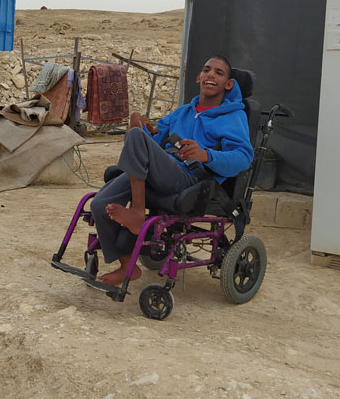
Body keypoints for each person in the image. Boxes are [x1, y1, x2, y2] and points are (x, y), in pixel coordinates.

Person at [90, 55, 254, 286]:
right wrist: (139, 126)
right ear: (199, 77)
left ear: (229, 84)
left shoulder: (234, 116)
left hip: (191, 178)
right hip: (160, 170)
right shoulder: (183, 112)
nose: (210, 75)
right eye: (206, 70)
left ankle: (137, 212)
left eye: (219, 72)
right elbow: (153, 142)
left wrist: (207, 154)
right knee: (99, 204)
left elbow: (244, 157)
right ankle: (127, 265)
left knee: (135, 138)